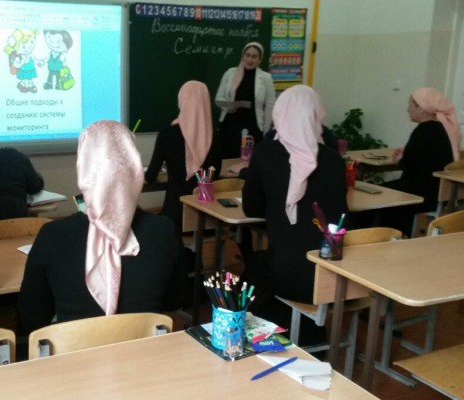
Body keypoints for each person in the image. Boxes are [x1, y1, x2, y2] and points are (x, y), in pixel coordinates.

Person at [19, 120, 185, 334]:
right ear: (134, 168)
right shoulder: (164, 231)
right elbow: (174, 300)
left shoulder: (52, 236)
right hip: (144, 351)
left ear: (84, 168)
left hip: (76, 352)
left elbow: (32, 317)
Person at [241, 85, 348, 345]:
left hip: (287, 275)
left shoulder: (265, 153)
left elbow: (251, 208)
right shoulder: (333, 159)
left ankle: (263, 337)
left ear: (280, 114)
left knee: (254, 269)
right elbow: (341, 216)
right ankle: (309, 337)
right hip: (336, 277)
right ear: (316, 115)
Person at [381, 87, 460, 236]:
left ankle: (387, 237)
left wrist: (400, 158)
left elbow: (408, 164)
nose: (408, 109)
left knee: (379, 196)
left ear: (422, 109)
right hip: (436, 191)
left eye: (410, 105)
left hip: (421, 193)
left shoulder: (424, 131)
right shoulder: (442, 128)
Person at [144, 80, 221, 230]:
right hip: (208, 220)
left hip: (175, 220)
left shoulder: (167, 135)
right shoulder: (216, 137)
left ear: (182, 101)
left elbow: (151, 177)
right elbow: (215, 174)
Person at [215, 42, 276, 158]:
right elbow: (219, 98)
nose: (250, 60)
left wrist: (265, 131)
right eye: (247, 55)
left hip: (253, 128)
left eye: (254, 57)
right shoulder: (230, 73)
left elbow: (270, 106)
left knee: (249, 162)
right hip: (229, 126)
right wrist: (229, 106)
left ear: (260, 60)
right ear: (243, 56)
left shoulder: (266, 78)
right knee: (228, 160)